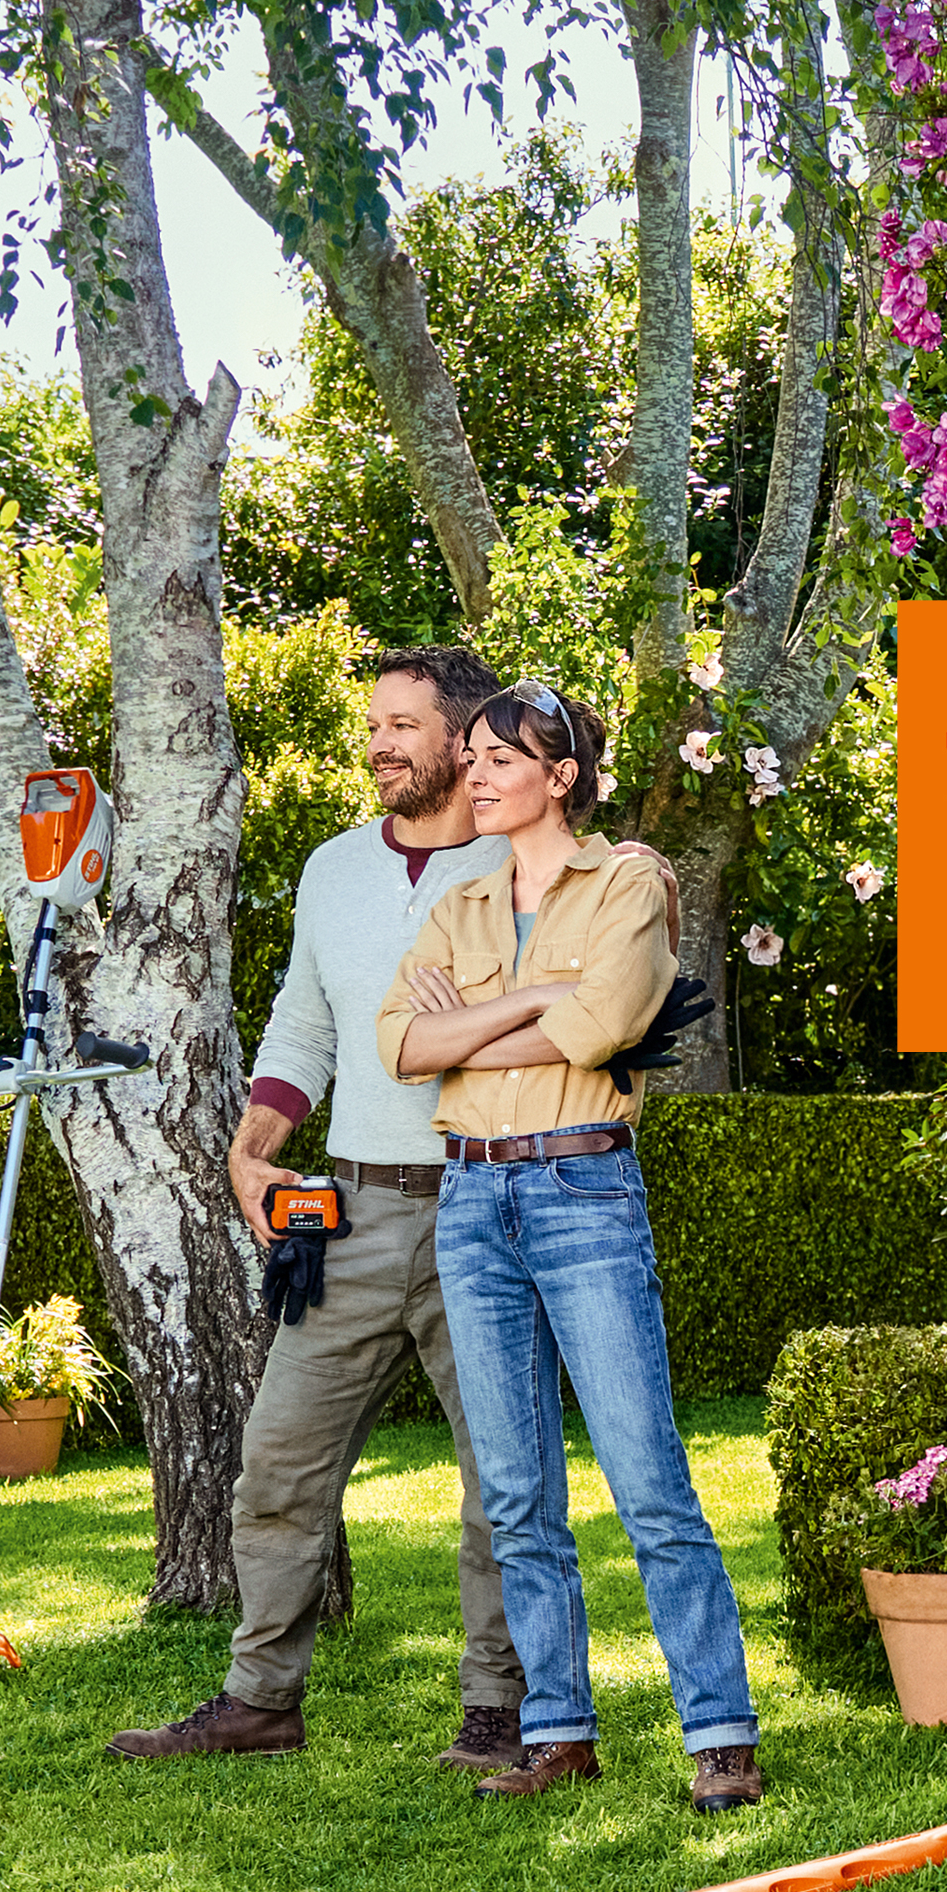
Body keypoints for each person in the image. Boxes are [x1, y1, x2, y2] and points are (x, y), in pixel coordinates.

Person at [108, 648, 528, 1768]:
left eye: (405, 722)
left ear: (463, 734)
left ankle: (496, 1709)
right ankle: (259, 1701)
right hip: (349, 1209)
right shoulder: (335, 867)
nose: (382, 742)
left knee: (500, 1478)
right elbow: (304, 1023)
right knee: (277, 1465)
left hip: (485, 1206)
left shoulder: (522, 864)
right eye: (375, 722)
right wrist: (253, 1150)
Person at [374, 682, 765, 1813]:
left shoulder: (628, 879)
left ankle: (719, 1733)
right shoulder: (458, 902)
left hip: (579, 1186)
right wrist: (534, 997)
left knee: (647, 1478)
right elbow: (403, 1045)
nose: (477, 773)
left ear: (559, 777)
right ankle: (556, 1729)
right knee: (513, 1491)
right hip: (469, 1203)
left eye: (503, 758)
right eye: (472, 756)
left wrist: (479, 1025)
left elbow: (600, 1031)